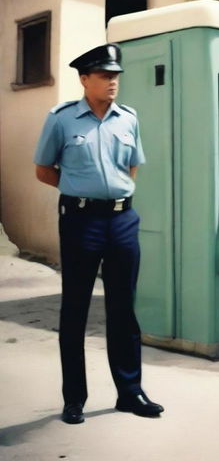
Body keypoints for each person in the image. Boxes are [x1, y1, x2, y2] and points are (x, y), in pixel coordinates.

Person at [34, 43, 163, 425]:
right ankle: (74, 397)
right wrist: (80, 191)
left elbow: (132, 169)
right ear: (84, 79)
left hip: (122, 221)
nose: (113, 82)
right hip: (81, 222)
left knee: (124, 307)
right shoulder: (61, 119)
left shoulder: (129, 119)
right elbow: (43, 169)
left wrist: (113, 198)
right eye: (105, 76)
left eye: (115, 76)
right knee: (75, 307)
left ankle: (130, 391)